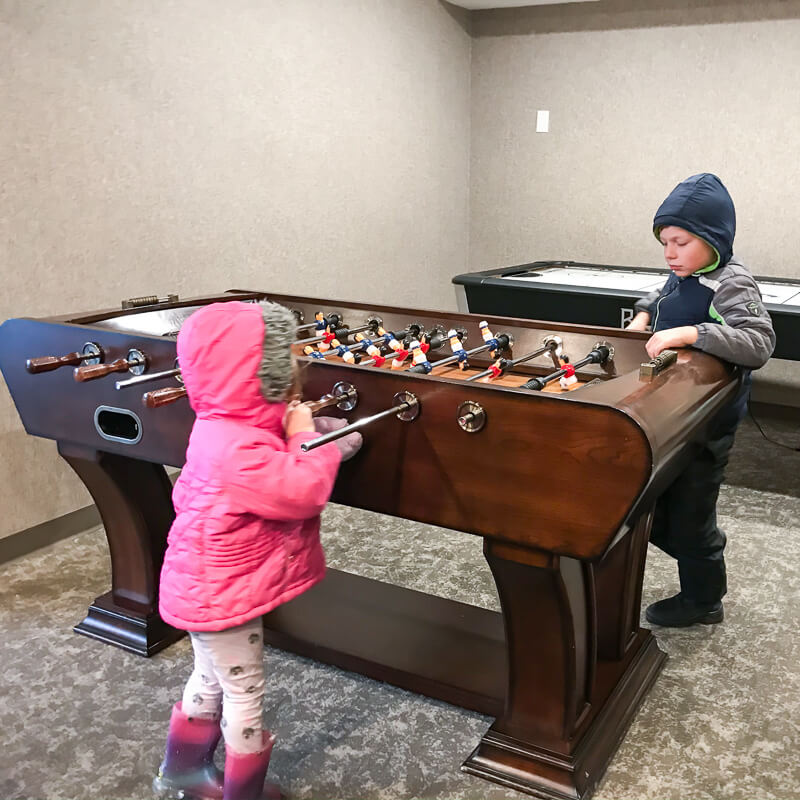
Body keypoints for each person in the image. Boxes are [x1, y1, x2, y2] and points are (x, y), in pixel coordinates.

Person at [152, 300, 362, 800]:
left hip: (206, 588)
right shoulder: (237, 449)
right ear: (258, 380)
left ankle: (181, 773)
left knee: (209, 679)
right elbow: (301, 490)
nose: (293, 381)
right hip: (221, 598)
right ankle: (241, 793)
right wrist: (308, 436)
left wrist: (326, 438)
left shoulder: (223, 425)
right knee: (244, 692)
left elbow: (282, 448)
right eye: (283, 371)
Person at [627, 173, 775, 627]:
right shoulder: (685, 271)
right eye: (665, 243)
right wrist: (643, 313)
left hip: (707, 425)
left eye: (681, 242)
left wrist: (695, 332)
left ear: (713, 240)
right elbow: (662, 292)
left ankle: (704, 599)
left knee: (692, 516)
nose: (671, 253)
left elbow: (759, 342)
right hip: (673, 414)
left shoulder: (731, 283)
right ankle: (695, 549)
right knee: (660, 507)